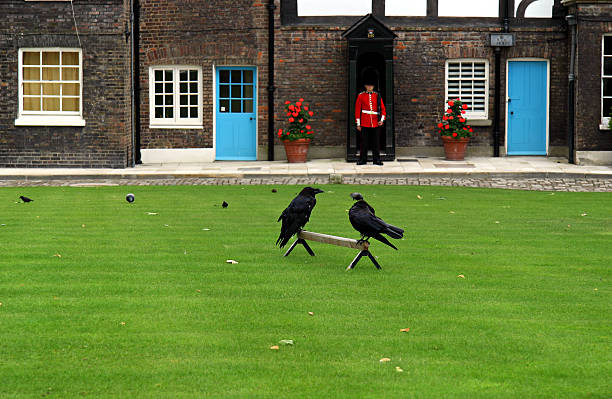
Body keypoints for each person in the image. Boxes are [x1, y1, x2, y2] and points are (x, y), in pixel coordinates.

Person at [354, 80, 386, 165]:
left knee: (376, 142)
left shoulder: (377, 95)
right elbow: (357, 110)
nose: (370, 87)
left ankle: (376, 160)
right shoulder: (361, 96)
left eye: (371, 85)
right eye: (368, 85)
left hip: (375, 122)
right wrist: (358, 123)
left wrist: (381, 120)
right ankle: (363, 160)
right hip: (364, 121)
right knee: (364, 142)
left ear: (373, 86)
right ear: (365, 86)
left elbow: (383, 109)